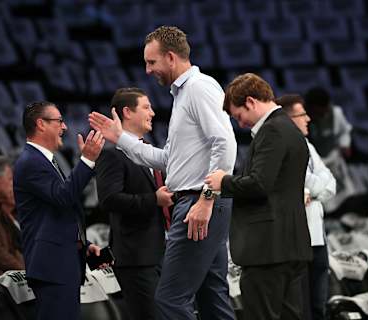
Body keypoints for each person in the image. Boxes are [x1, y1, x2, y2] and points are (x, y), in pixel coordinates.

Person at [90, 26, 237, 320]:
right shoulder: (183, 96)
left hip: (198, 203)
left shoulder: (197, 88)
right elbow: (167, 160)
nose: (147, 70)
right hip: (201, 201)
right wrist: (121, 139)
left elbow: (226, 143)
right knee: (212, 298)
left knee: (169, 300)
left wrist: (206, 199)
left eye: (151, 62)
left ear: (171, 58)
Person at [205, 73, 312, 320]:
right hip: (290, 246)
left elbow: (259, 184)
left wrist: (223, 181)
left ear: (251, 102)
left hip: (268, 251)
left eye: (239, 116)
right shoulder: (289, 129)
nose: (241, 124)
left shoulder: (272, 130)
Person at [13, 101, 105, 320]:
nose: (64, 127)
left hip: (63, 261)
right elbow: (64, 197)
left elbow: (57, 212)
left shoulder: (46, 161)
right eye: (59, 121)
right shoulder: (30, 162)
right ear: (41, 124)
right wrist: (87, 160)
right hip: (52, 266)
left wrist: (82, 243)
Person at [95, 88, 173, 320]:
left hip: (161, 252)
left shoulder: (149, 151)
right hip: (136, 258)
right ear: (127, 112)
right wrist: (154, 200)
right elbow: (109, 199)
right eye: (146, 107)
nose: (153, 112)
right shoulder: (112, 154)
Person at [278, 94, 337, 320]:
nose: (308, 119)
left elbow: (330, 183)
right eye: (302, 114)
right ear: (289, 119)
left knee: (319, 307)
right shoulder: (285, 147)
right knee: (302, 310)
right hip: (298, 240)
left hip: (318, 238)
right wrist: (315, 186)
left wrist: (312, 191)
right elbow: (309, 180)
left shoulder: (309, 146)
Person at [303, 87, 352, 159]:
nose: (319, 116)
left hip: (333, 157)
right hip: (312, 161)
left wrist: (344, 145)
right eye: (315, 112)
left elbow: (344, 131)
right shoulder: (299, 119)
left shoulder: (335, 113)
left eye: (321, 113)